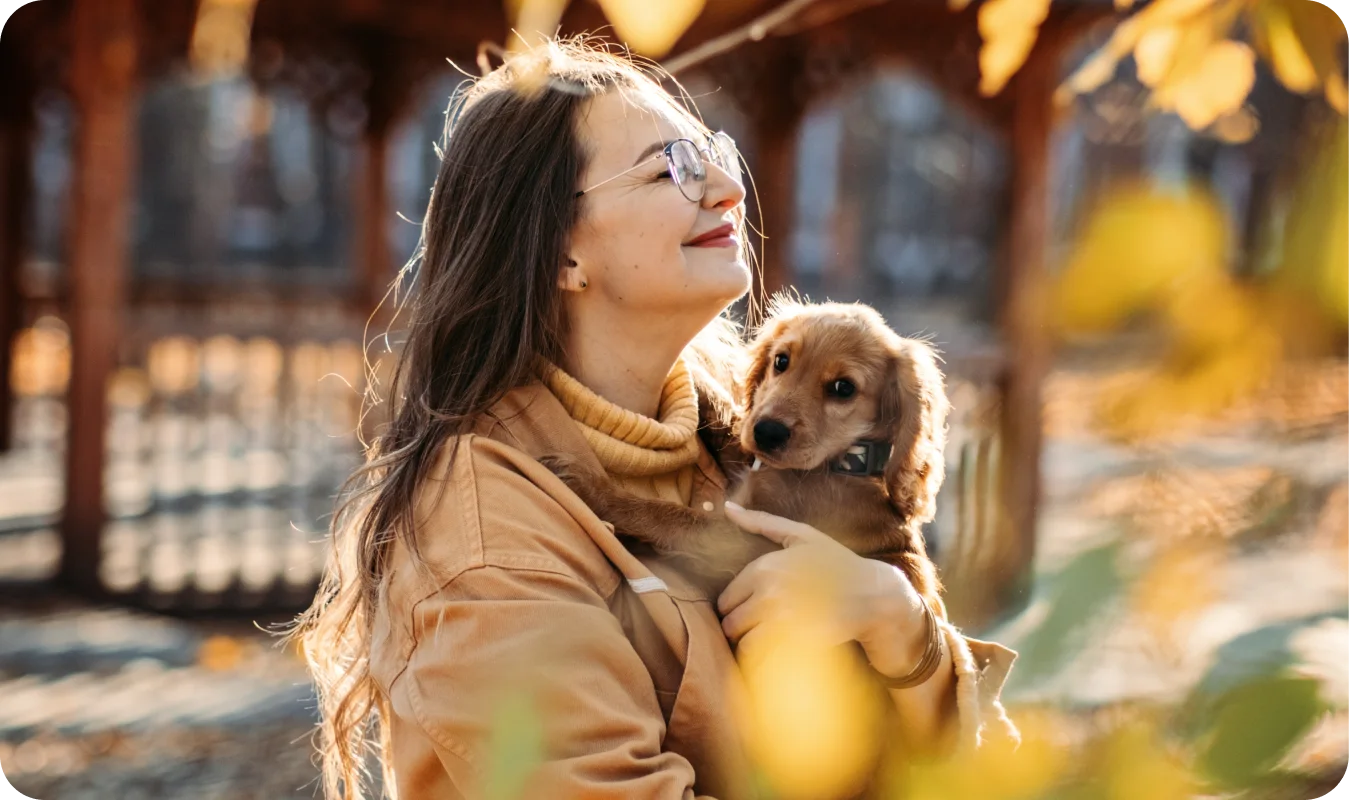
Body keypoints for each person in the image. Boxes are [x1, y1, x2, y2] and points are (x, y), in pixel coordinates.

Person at [293, 38, 1018, 800]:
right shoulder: (488, 540)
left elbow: (986, 773)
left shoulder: (732, 443)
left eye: (714, 153)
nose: (728, 190)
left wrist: (900, 626)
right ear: (561, 254)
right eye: (670, 167)